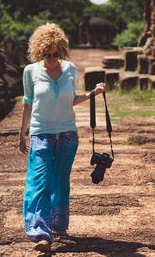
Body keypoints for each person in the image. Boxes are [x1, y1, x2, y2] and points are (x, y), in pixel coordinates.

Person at [18, 23, 105, 252]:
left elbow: (71, 99)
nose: (53, 59)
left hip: (67, 134)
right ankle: (41, 233)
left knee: (60, 182)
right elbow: (27, 104)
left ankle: (58, 223)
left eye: (57, 54)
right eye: (48, 55)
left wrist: (91, 94)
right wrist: (21, 134)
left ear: (62, 51)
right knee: (41, 182)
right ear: (40, 53)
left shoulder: (71, 69)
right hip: (41, 133)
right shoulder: (31, 71)